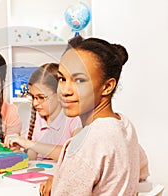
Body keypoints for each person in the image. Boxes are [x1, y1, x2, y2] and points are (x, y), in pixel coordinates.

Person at [38, 36, 150, 195]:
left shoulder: (85, 144)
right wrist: (61, 180)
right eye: (62, 79)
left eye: (79, 80)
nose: (65, 90)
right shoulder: (124, 125)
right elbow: (142, 171)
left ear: (107, 86)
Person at [4, 63, 82, 160]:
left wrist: (30, 144)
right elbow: (32, 156)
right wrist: (18, 151)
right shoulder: (37, 120)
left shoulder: (74, 119)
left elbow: (74, 154)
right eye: (33, 97)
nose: (35, 103)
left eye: (41, 97)